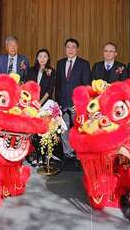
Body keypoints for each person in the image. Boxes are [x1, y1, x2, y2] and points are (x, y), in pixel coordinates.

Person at [56, 38, 91, 166]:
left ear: (77, 49)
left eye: (73, 47)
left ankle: (78, 154)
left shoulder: (84, 64)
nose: (70, 49)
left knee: (78, 130)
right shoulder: (60, 63)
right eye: (68, 47)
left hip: (77, 106)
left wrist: (81, 104)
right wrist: (59, 103)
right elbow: (58, 84)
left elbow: (86, 86)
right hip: (64, 104)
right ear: (65, 49)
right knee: (64, 130)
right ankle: (67, 153)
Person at [26, 49, 57, 166]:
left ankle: (43, 155)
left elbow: (50, 89)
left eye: (45, 56)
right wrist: (33, 102)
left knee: (43, 130)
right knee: (32, 130)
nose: (42, 59)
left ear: (48, 58)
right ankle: (33, 154)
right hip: (31, 104)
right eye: (40, 56)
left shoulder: (51, 71)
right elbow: (27, 87)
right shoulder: (31, 70)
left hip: (44, 104)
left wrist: (40, 103)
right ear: (37, 58)